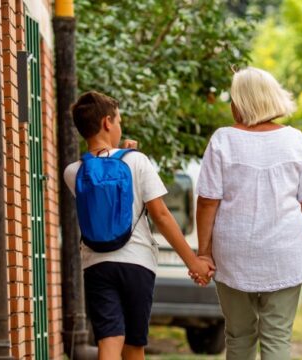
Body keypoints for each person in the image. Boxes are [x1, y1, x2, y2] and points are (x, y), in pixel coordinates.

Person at [63, 91, 214, 360]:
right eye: (119, 121)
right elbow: (161, 215)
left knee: (109, 339)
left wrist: (128, 155)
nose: (120, 127)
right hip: (137, 263)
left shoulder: (73, 172)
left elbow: (103, 191)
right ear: (108, 123)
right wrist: (193, 261)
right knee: (134, 345)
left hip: (96, 264)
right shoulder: (137, 161)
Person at [193, 67, 302, 360]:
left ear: (242, 102)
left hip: (233, 252)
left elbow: (207, 202)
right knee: (277, 336)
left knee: (239, 336)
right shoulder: (295, 140)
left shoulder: (223, 139)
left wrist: (204, 252)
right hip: (286, 252)